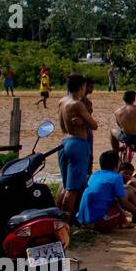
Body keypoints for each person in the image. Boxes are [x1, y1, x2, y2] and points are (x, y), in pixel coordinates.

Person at [56, 73, 96, 216]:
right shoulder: (77, 103)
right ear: (81, 87)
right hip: (77, 143)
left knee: (66, 185)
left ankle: (59, 217)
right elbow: (94, 125)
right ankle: (66, 222)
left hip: (63, 142)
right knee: (72, 189)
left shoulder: (62, 101)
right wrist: (84, 121)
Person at [77, 150, 136, 233]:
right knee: (121, 198)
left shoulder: (95, 174)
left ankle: (134, 220)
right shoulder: (116, 177)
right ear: (117, 164)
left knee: (118, 196)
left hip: (82, 221)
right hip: (99, 223)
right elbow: (124, 203)